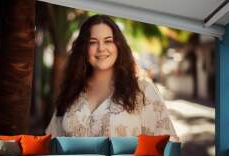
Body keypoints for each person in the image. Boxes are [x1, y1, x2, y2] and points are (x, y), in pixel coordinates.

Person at [46, 15, 179, 141]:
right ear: (84, 48)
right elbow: (51, 143)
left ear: (118, 45)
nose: (101, 48)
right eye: (92, 42)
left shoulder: (143, 89)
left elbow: (167, 145)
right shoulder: (71, 90)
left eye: (108, 41)